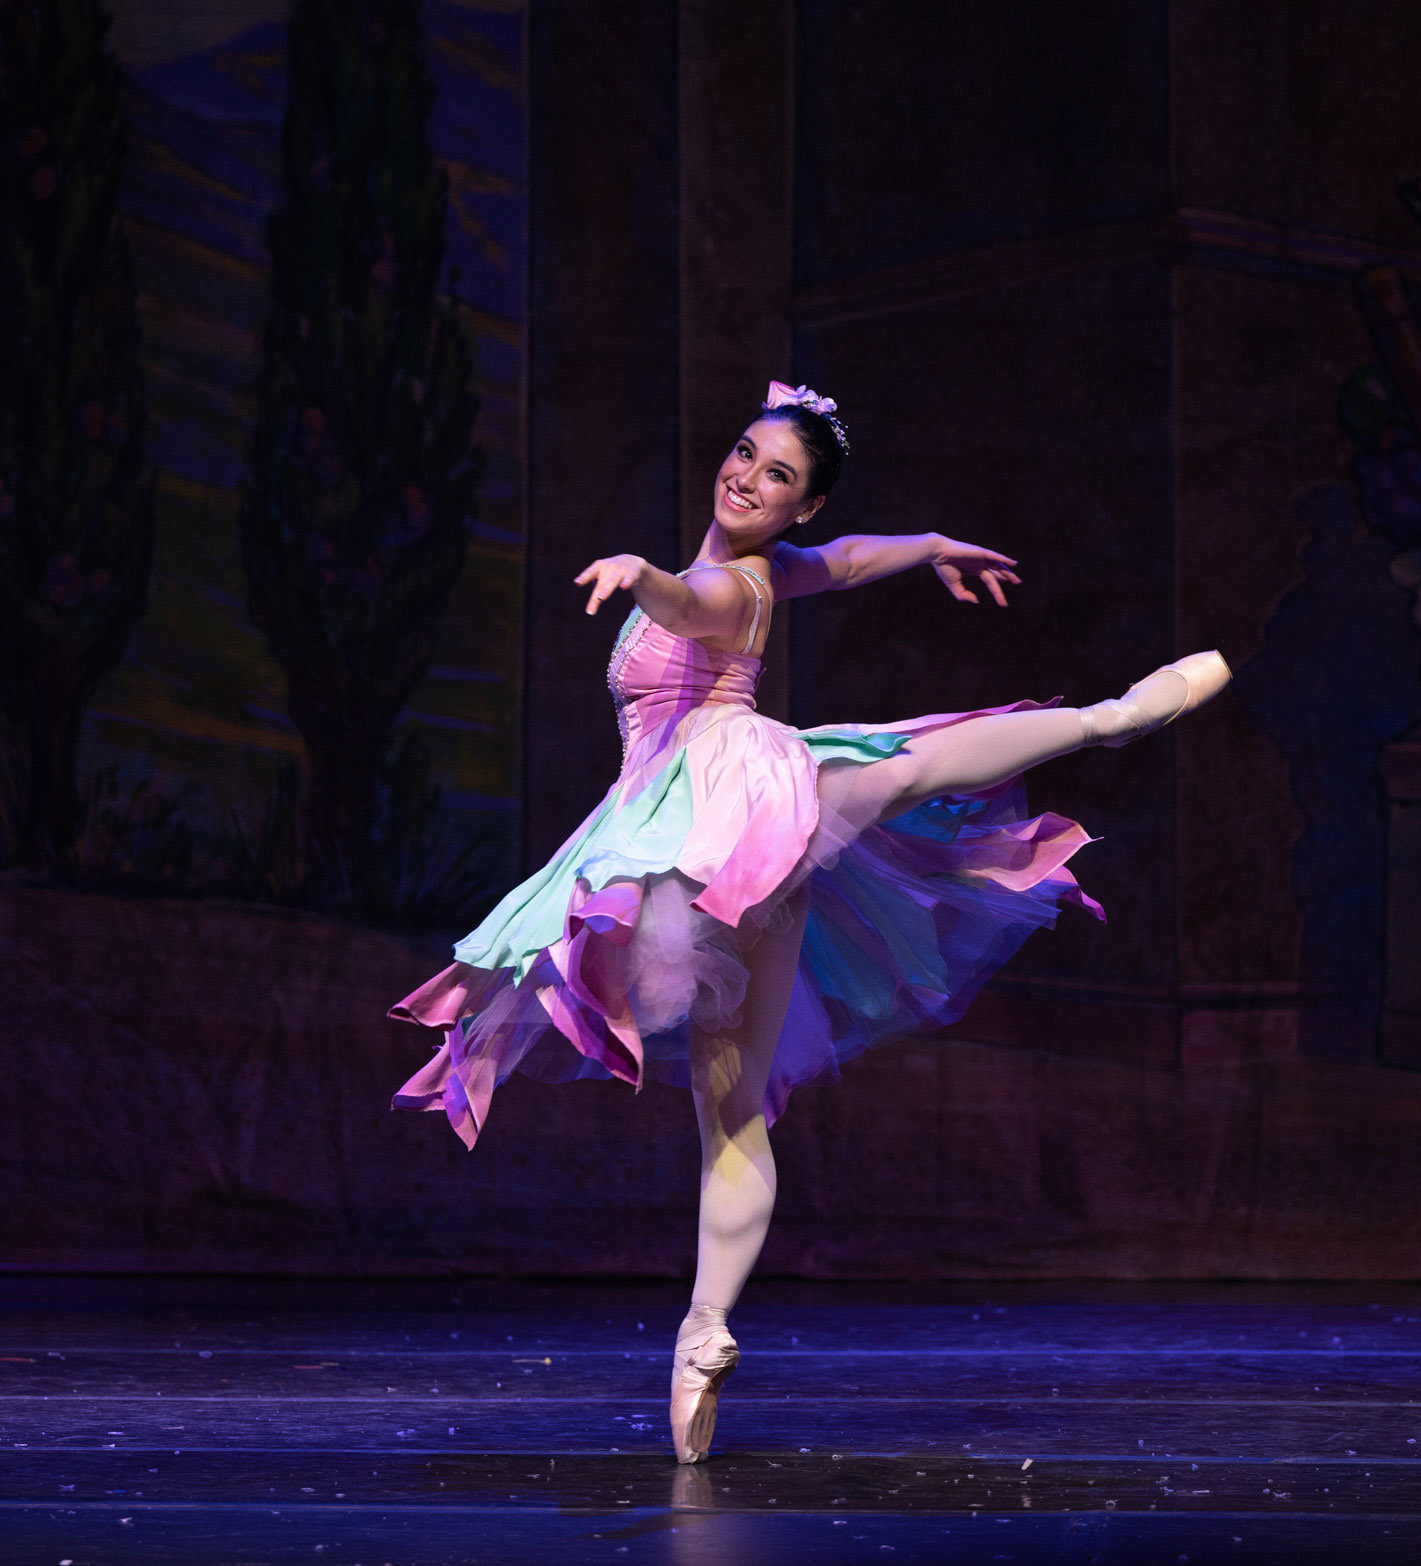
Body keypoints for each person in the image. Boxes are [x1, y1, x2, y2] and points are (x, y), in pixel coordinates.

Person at [388, 380, 1230, 1464]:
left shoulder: (731, 583)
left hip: (718, 806)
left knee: (895, 768)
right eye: (746, 453)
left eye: (777, 475)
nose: (746, 476)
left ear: (802, 502)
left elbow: (693, 601)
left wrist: (640, 575)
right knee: (741, 1094)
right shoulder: (774, 568)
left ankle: (1111, 720)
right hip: (727, 836)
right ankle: (703, 1331)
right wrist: (931, 546)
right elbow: (846, 561)